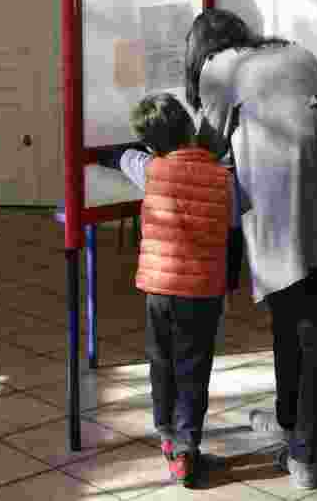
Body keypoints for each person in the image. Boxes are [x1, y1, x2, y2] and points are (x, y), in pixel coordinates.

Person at [185, 8, 317, 490]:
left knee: (299, 327)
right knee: (315, 329)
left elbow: (205, 149)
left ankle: (304, 454)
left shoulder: (220, 69)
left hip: (282, 216)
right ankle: (293, 425)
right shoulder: (296, 53)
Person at [95, 93, 233, 488]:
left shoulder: (150, 168)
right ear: (189, 128)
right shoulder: (223, 177)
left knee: (162, 362)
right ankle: (188, 447)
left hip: (160, 289)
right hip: (202, 292)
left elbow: (118, 157)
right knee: (194, 367)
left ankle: (167, 436)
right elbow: (235, 219)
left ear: (152, 144)